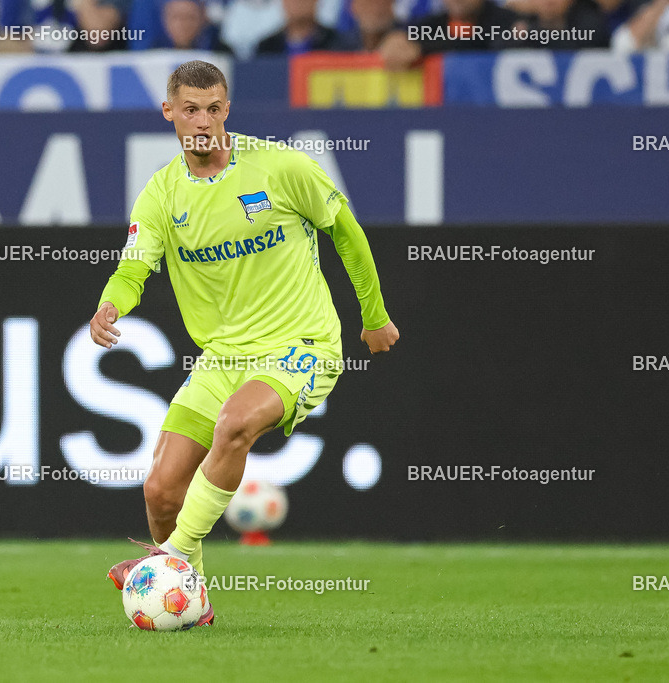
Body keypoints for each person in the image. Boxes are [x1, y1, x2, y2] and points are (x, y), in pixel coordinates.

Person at [91, 60, 399, 627]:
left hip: (299, 344)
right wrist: (111, 304)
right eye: (190, 110)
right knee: (160, 489)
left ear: (226, 110)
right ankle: (193, 602)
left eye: (213, 108)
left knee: (235, 425)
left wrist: (373, 316)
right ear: (170, 113)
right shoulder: (161, 194)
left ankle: (171, 559)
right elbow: (133, 269)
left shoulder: (279, 167)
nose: (202, 121)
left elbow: (345, 230)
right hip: (222, 357)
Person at [380, 0, 520, 69]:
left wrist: (422, 49)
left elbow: (480, 41)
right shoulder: (433, 24)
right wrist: (398, 41)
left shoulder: (509, 20)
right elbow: (404, 40)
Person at [255, 0, 350, 54]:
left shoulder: (338, 44)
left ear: (316, 2)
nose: (298, 2)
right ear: (283, 3)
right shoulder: (266, 48)